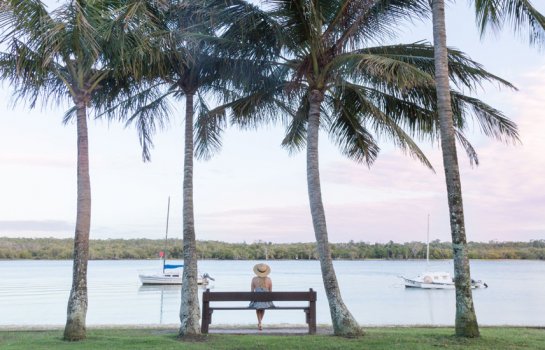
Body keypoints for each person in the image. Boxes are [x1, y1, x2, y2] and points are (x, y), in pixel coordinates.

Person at [249, 263, 274, 330]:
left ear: (257, 271)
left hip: (256, 301)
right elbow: (270, 293)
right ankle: (260, 323)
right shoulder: (269, 279)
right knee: (263, 307)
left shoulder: (254, 279)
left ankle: (259, 322)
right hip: (266, 302)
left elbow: (252, 292)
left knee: (258, 307)